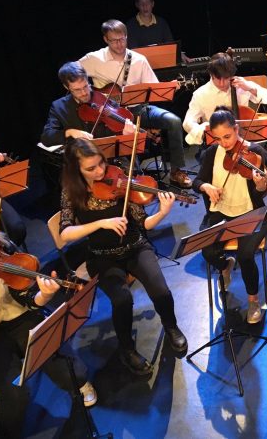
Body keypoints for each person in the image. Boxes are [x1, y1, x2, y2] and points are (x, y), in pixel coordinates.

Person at [59, 138, 188, 375]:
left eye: (101, 163)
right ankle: (127, 350)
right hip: (101, 256)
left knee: (160, 290)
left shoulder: (120, 180)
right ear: (76, 170)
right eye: (91, 168)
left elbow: (144, 222)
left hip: (135, 246)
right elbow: (65, 233)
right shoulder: (72, 192)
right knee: (122, 300)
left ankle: (171, 327)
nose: (100, 171)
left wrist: (163, 211)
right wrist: (101, 223)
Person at [0, 209, 97, 437]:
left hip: (17, 316)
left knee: (70, 371)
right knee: (15, 396)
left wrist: (44, 296)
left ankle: (77, 383)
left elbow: (26, 296)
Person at [79, 19, 192, 188]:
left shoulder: (138, 60)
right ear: (105, 39)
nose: (119, 44)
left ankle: (176, 171)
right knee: (127, 136)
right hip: (110, 115)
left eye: (123, 38)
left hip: (138, 109)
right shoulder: (95, 59)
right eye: (114, 40)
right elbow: (69, 73)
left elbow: (152, 89)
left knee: (173, 121)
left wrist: (169, 88)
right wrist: (89, 93)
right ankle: (135, 181)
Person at [182, 52, 267, 222]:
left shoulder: (240, 85)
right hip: (217, 144)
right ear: (211, 75)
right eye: (220, 79)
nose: (225, 83)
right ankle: (212, 209)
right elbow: (187, 122)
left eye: (227, 78)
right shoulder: (201, 94)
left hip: (243, 142)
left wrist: (249, 87)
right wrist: (202, 128)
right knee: (206, 168)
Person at [193, 107, 267, 324]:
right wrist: (207, 187)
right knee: (207, 251)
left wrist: (260, 184)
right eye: (218, 139)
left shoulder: (254, 151)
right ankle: (225, 265)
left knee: (246, 254)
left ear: (237, 129)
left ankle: (253, 300)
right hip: (220, 211)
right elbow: (196, 182)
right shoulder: (211, 153)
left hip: (251, 212)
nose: (224, 143)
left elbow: (264, 191)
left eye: (227, 137)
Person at [40, 61, 128, 147]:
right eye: (77, 90)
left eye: (86, 86)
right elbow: (46, 137)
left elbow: (119, 124)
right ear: (66, 87)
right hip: (79, 158)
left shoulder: (100, 98)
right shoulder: (59, 107)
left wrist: (125, 130)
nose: (84, 93)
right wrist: (70, 132)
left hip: (110, 152)